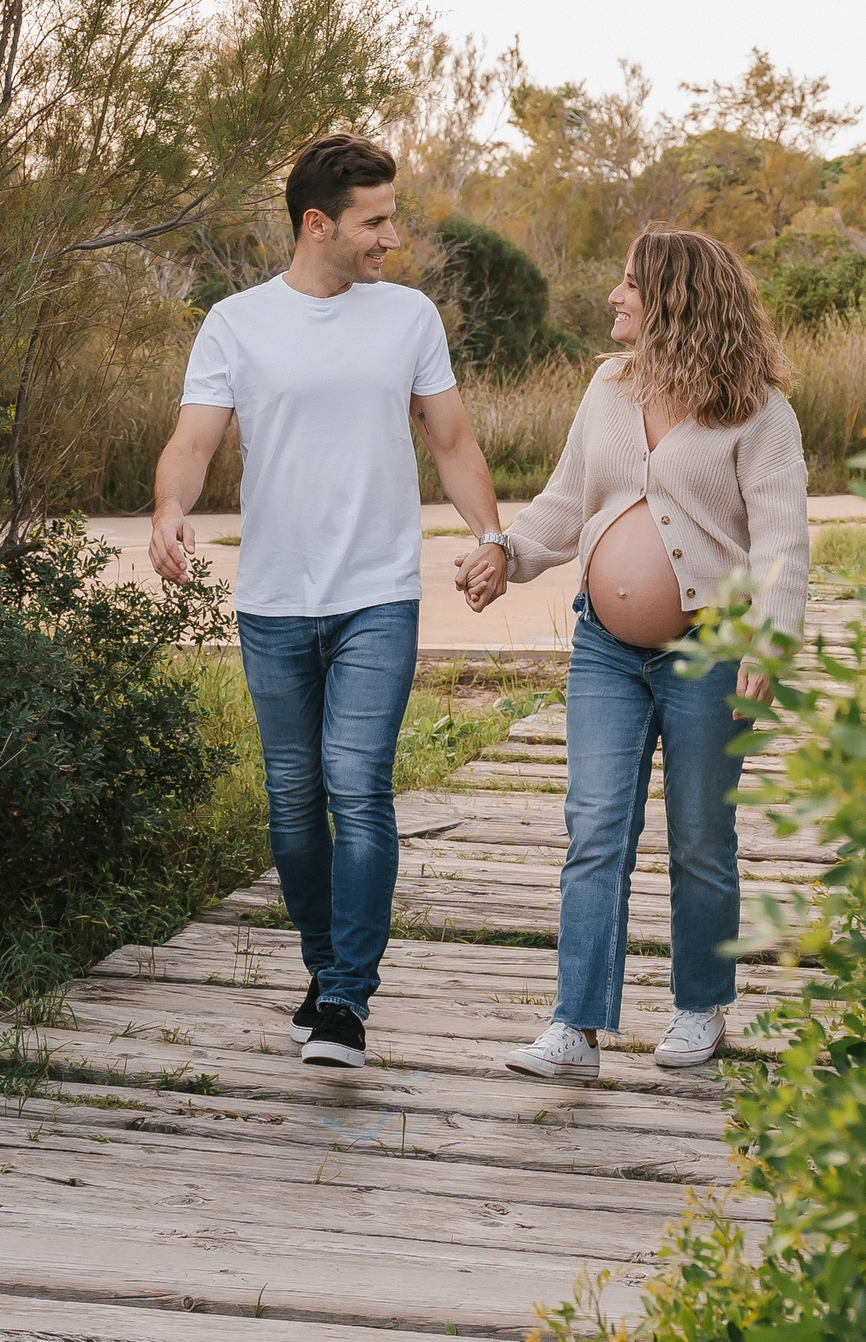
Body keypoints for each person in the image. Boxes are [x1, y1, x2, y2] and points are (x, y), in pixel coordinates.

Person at [150, 133, 508, 1068]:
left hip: (377, 593)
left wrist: (489, 538)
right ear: (319, 224)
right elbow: (192, 444)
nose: (391, 237)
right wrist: (167, 513)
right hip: (272, 600)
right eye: (375, 221)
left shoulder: (408, 318)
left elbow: (454, 442)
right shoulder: (235, 323)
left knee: (357, 782)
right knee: (294, 799)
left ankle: (348, 997)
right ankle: (322, 970)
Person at [458, 227, 807, 1078]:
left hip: (710, 652)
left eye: (628, 284)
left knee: (698, 836)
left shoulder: (758, 410)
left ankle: (700, 1006)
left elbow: (783, 542)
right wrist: (508, 551)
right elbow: (567, 499)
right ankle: (574, 1027)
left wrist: (770, 636)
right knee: (596, 829)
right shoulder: (608, 387)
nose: (614, 297)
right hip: (605, 651)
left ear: (675, 299)